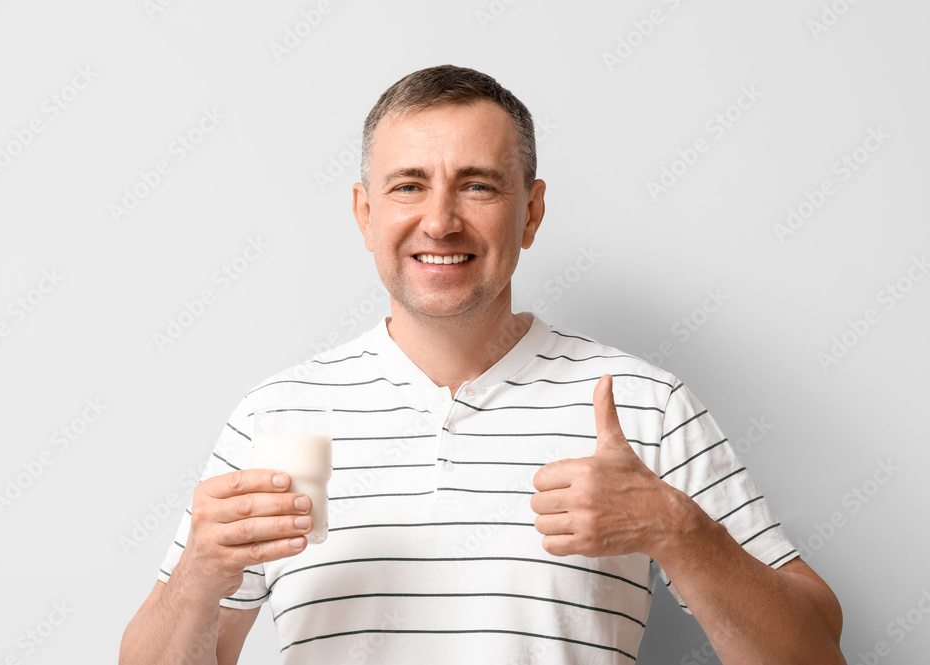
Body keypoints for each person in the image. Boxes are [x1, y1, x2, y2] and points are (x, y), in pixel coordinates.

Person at [120, 65, 846, 664]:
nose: (440, 221)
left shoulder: (639, 404)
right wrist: (196, 578)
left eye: (478, 184)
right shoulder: (277, 417)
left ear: (530, 214)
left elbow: (815, 652)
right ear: (365, 214)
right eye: (409, 185)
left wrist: (676, 529)